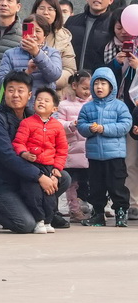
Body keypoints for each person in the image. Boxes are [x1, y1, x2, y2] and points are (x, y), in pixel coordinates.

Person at [0, 71, 71, 234]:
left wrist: (52, 172)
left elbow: (51, 148)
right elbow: (8, 156)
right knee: (25, 225)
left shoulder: (33, 116)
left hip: (23, 180)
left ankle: (44, 212)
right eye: (11, 90)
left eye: (21, 90)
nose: (15, 95)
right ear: (5, 93)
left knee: (64, 178)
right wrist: (40, 177)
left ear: (29, 95)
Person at [78, 67, 132, 227]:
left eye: (103, 83)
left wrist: (104, 129)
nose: (99, 87)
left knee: (117, 186)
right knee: (96, 187)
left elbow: (125, 125)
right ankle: (98, 214)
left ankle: (121, 212)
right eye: (96, 83)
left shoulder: (120, 106)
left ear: (112, 86)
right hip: (94, 156)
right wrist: (89, 128)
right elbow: (81, 125)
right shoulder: (88, 107)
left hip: (115, 155)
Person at [12, 88, 68, 233]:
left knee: (50, 195)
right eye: (39, 99)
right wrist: (24, 154)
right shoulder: (27, 123)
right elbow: (18, 142)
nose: (41, 102)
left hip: (48, 166)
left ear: (54, 108)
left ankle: (48, 221)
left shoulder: (57, 126)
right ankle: (38, 220)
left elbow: (62, 149)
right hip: (31, 165)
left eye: (46, 100)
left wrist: (57, 168)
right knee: (33, 194)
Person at [102, 8, 138, 219]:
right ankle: (133, 202)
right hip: (126, 109)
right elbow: (107, 78)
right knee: (130, 159)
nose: (125, 31)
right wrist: (118, 63)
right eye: (120, 27)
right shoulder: (113, 48)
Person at [55, 71, 92, 222]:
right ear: (74, 86)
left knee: (87, 182)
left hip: (88, 151)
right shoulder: (64, 104)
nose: (87, 92)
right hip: (71, 151)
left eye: (90, 88)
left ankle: (87, 206)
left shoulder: (92, 103)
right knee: (72, 183)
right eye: (84, 88)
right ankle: (74, 209)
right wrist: (71, 124)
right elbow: (58, 124)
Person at [0, 15, 63, 96]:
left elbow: (54, 76)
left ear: (45, 35)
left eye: (38, 31)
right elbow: (2, 81)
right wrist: (26, 72)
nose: (33, 35)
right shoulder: (10, 54)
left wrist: (37, 53)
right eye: (30, 30)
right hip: (17, 102)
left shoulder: (53, 53)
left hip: (41, 103)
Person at [66, 0, 116, 72]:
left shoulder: (114, 25)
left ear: (111, 0)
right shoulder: (71, 22)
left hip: (100, 82)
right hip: (73, 80)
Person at [30, 0, 76, 94]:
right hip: (25, 90)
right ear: (35, 10)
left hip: (52, 94)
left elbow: (69, 70)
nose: (46, 12)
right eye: (42, 8)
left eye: (50, 9)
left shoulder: (63, 38)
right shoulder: (25, 33)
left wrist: (48, 79)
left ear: (56, 13)